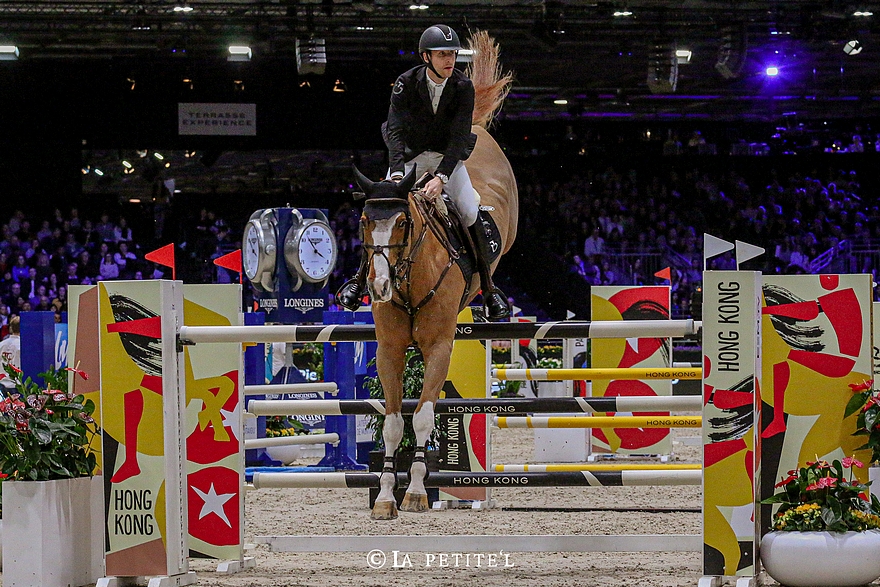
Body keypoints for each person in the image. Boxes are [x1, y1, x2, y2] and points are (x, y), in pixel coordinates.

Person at [336, 24, 511, 321]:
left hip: (447, 160)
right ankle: (359, 279)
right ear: (426, 56)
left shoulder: (462, 87)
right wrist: (395, 172)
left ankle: (489, 287)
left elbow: (458, 137)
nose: (450, 60)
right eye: (443, 54)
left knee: (468, 210)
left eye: (452, 54)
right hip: (411, 160)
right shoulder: (405, 84)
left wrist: (441, 178)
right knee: (386, 212)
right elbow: (394, 130)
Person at [0, 315, 21, 394]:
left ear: (11, 328)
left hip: (2, 384)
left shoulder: (1, 344)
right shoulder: (23, 346)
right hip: (16, 385)